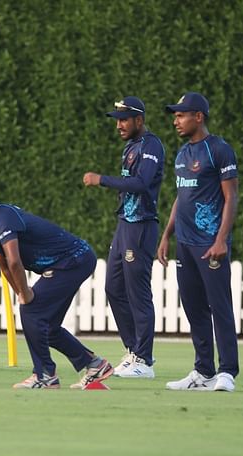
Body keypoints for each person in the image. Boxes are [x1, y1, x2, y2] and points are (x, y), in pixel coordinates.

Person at [0, 179, 113, 389]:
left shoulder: (4, 218)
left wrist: (26, 296)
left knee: (32, 313)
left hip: (75, 258)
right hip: (68, 263)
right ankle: (95, 365)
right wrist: (20, 293)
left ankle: (45, 375)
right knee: (46, 327)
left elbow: (15, 261)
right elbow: (5, 267)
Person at [158, 92, 239, 392]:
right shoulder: (182, 154)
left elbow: (231, 197)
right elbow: (182, 198)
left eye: (182, 115)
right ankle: (203, 371)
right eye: (175, 115)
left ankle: (227, 371)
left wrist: (221, 240)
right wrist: (167, 234)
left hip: (211, 245)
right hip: (185, 244)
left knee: (220, 306)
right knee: (193, 307)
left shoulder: (219, 149)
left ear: (199, 117)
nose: (176, 120)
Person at [82, 96, 165, 379]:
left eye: (124, 120)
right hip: (124, 224)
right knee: (113, 288)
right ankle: (133, 351)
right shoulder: (130, 146)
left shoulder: (151, 145)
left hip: (141, 226)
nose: (119, 125)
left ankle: (144, 359)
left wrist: (101, 179)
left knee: (137, 292)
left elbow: (142, 183)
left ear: (139, 120)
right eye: (117, 120)